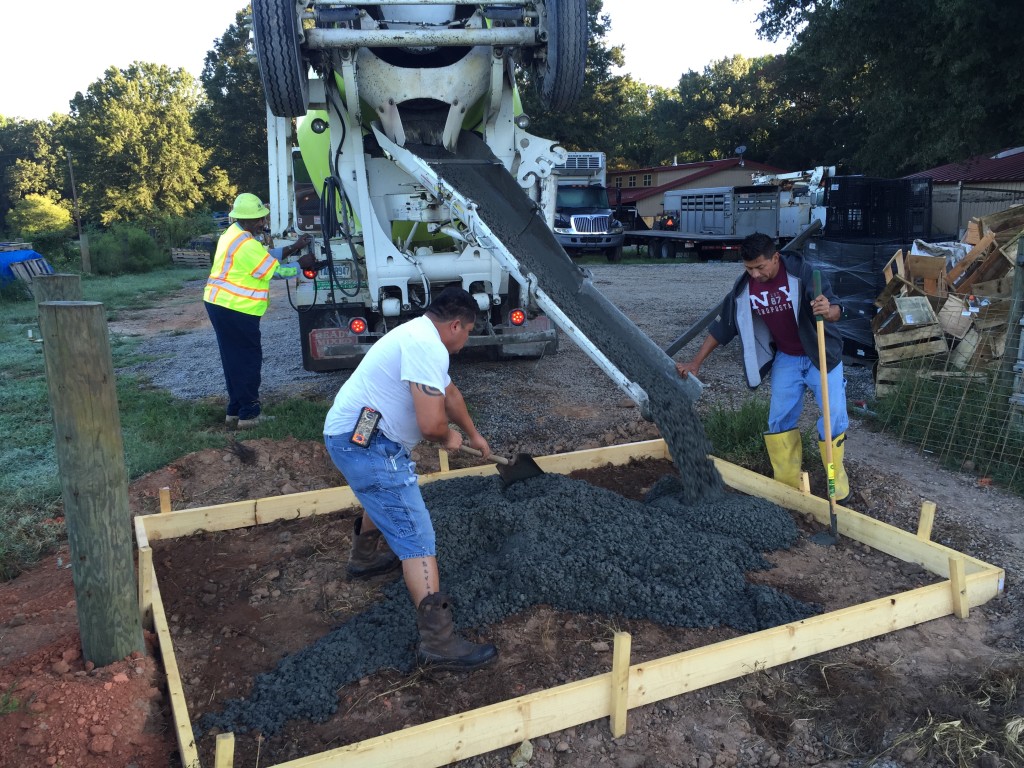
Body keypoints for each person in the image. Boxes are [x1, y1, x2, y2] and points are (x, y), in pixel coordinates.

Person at [323, 286, 498, 671]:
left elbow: (448, 393)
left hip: (355, 437)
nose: (466, 341)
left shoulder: (418, 334)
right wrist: (449, 437)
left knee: (386, 498)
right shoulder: (427, 346)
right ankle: (439, 643)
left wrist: (472, 434)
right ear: (455, 325)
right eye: (468, 332)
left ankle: (365, 558)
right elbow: (432, 424)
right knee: (417, 537)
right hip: (366, 446)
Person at [676, 232, 851, 503]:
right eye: (749, 268)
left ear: (775, 258)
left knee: (834, 418)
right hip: (788, 359)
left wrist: (829, 310)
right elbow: (723, 327)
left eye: (760, 266)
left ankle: (835, 486)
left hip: (821, 354)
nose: (755, 274)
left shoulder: (804, 273)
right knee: (779, 420)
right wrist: (695, 362)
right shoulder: (744, 288)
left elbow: (837, 309)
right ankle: (787, 486)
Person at [204, 193, 312, 428]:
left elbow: (264, 257)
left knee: (233, 358)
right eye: (260, 219)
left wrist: (294, 247)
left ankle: (235, 410)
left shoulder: (232, 235)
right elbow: (273, 271)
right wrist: (300, 266)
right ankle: (249, 414)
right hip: (236, 308)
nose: (263, 223)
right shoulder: (247, 244)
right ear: (249, 220)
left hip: (220, 305)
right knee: (247, 360)